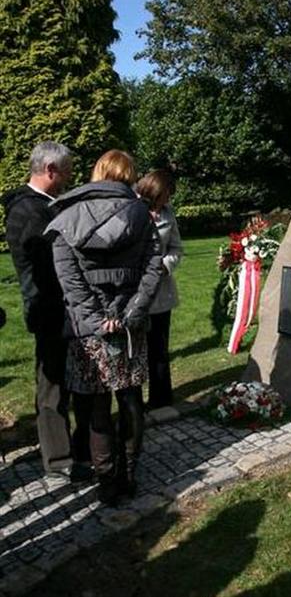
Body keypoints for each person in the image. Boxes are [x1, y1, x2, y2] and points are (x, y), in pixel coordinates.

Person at [45, 150, 163, 505]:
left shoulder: (68, 215)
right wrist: (128, 314)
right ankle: (127, 475)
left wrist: (97, 319)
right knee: (130, 400)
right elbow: (152, 269)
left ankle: (107, 482)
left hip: (87, 329)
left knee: (96, 407)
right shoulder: (143, 214)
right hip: (128, 326)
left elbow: (69, 278)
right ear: (129, 175)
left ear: (97, 172)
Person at [1, 141, 90, 481]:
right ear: (51, 170)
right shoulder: (30, 210)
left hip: (59, 308)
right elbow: (46, 266)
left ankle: (69, 449)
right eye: (66, 172)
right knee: (53, 387)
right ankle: (59, 460)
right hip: (50, 309)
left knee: (66, 383)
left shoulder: (43, 206)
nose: (69, 178)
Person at [137, 170, 183, 409]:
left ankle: (161, 400)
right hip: (136, 293)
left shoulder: (168, 213)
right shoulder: (133, 209)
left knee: (159, 350)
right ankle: (132, 405)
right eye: (166, 193)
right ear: (155, 190)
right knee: (135, 351)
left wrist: (165, 266)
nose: (169, 199)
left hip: (161, 293)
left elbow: (176, 248)